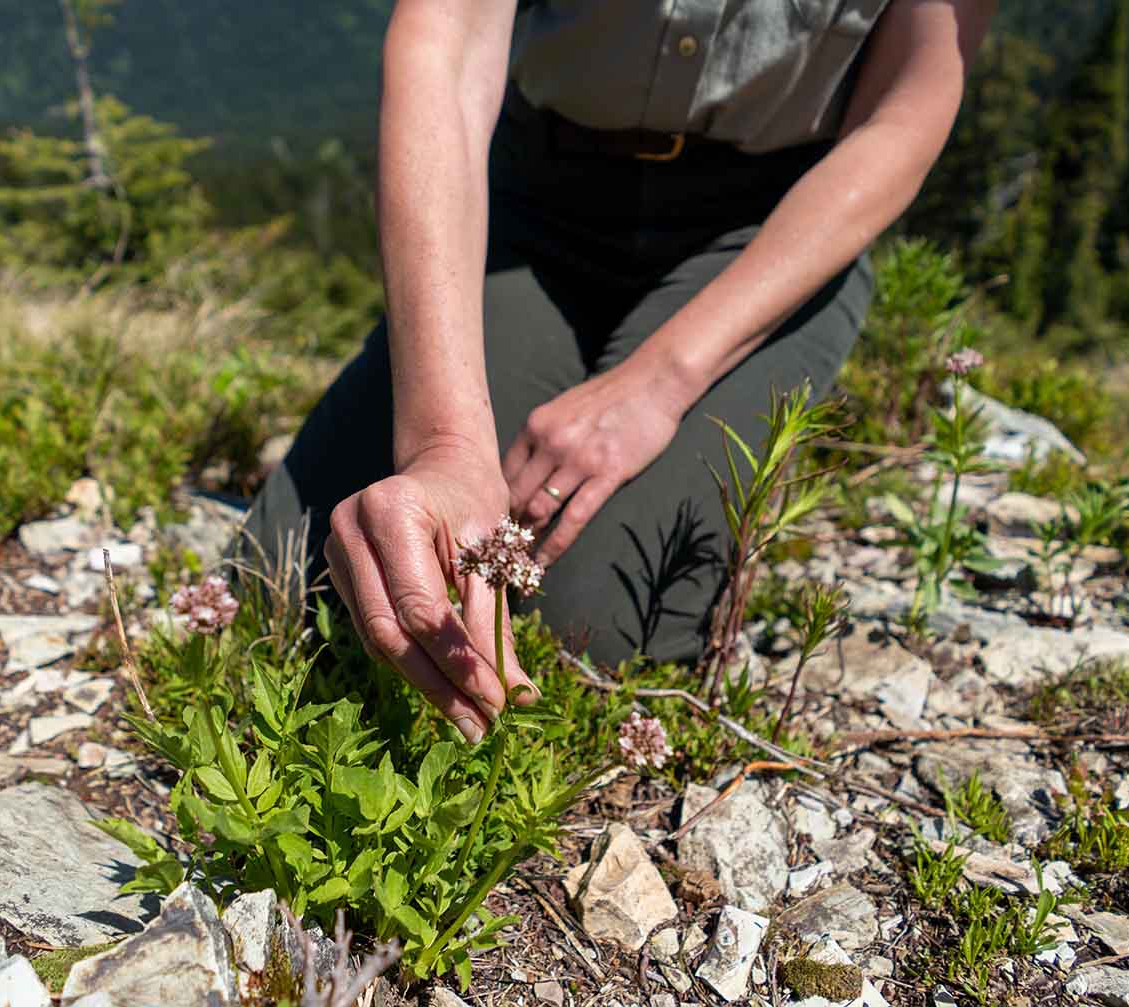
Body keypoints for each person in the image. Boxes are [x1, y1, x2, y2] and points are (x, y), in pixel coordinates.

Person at [242, 0, 996, 745]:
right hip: (530, 200)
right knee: (286, 587)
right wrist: (444, 442)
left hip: (768, 234)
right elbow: (447, 40)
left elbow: (906, 108)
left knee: (592, 634)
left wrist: (655, 385)